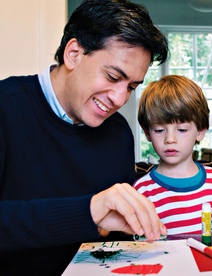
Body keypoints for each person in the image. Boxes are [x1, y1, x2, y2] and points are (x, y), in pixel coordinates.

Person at [0, 0, 169, 274]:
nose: (119, 99)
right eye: (113, 76)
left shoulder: (118, 133)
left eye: (131, 87)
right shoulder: (6, 108)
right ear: (74, 54)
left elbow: (114, 238)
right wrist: (89, 211)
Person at [134, 75, 212, 235]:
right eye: (159, 130)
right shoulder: (142, 191)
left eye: (182, 130)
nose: (170, 139)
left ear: (200, 131)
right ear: (147, 132)